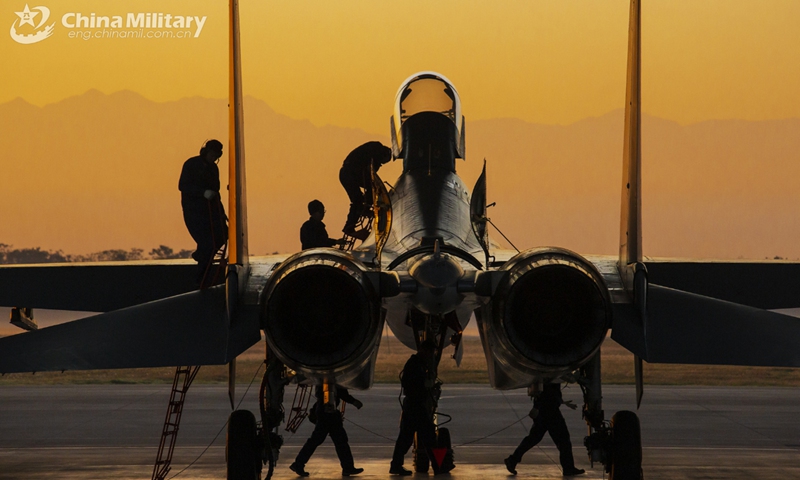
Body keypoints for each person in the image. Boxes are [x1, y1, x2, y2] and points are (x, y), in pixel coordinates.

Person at [389, 341, 452, 476]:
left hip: (413, 406)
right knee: (428, 436)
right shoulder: (415, 365)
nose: (431, 354)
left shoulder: (417, 364)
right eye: (430, 351)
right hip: (415, 405)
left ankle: (396, 465)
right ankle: (437, 466)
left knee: (406, 438)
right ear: (423, 350)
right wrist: (426, 386)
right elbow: (410, 384)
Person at [504, 383, 585, 476]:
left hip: (546, 409)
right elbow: (545, 390)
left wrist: (559, 401)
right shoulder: (550, 374)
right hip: (549, 410)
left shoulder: (550, 375)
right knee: (563, 439)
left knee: (534, 438)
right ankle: (568, 468)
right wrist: (537, 406)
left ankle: (512, 460)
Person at [178, 140, 227, 282]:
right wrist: (202, 192)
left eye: (216, 156)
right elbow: (183, 185)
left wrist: (222, 212)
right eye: (211, 154)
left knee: (223, 233)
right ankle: (201, 276)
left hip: (211, 211)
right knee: (207, 243)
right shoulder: (191, 164)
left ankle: (202, 256)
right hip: (194, 212)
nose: (213, 158)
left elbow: (216, 192)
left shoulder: (213, 169)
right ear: (205, 152)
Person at [289, 385, 364, 477]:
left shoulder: (321, 381)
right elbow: (340, 391)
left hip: (325, 412)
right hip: (327, 414)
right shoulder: (332, 380)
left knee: (324, 440)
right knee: (337, 441)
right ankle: (347, 467)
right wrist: (353, 401)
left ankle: (298, 464)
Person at [339, 141, 392, 240]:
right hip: (349, 175)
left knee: (360, 198)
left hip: (348, 174)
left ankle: (362, 211)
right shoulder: (376, 149)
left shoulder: (374, 152)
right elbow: (370, 176)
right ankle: (349, 226)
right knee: (358, 200)